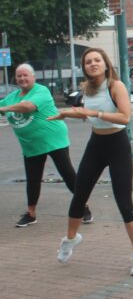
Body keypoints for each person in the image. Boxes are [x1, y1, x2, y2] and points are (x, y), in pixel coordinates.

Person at [48, 48, 133, 277]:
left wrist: (97, 114)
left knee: (124, 202)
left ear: (105, 64)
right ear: (84, 67)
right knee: (79, 195)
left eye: (97, 60)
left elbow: (125, 117)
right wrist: (66, 113)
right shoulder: (88, 88)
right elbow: (87, 113)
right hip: (96, 145)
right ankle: (70, 239)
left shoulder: (116, 86)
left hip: (117, 145)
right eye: (88, 62)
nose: (92, 64)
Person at [0, 64, 93, 227]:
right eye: (19, 76)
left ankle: (83, 207)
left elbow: (28, 107)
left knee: (67, 174)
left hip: (53, 139)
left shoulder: (41, 91)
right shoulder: (12, 97)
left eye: (25, 75)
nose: (22, 78)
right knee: (33, 179)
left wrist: (5, 108)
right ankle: (31, 214)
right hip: (31, 144)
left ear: (33, 77)